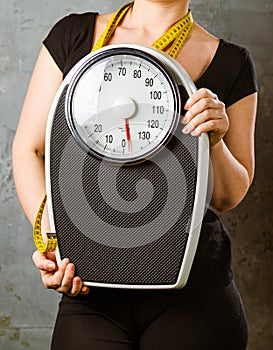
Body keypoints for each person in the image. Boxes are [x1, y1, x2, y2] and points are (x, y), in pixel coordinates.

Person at [12, 0, 258, 349]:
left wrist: (215, 142)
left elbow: (227, 197)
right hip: (92, 287)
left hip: (194, 289)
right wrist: (56, 240)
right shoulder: (73, 36)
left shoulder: (231, 62)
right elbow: (28, 151)